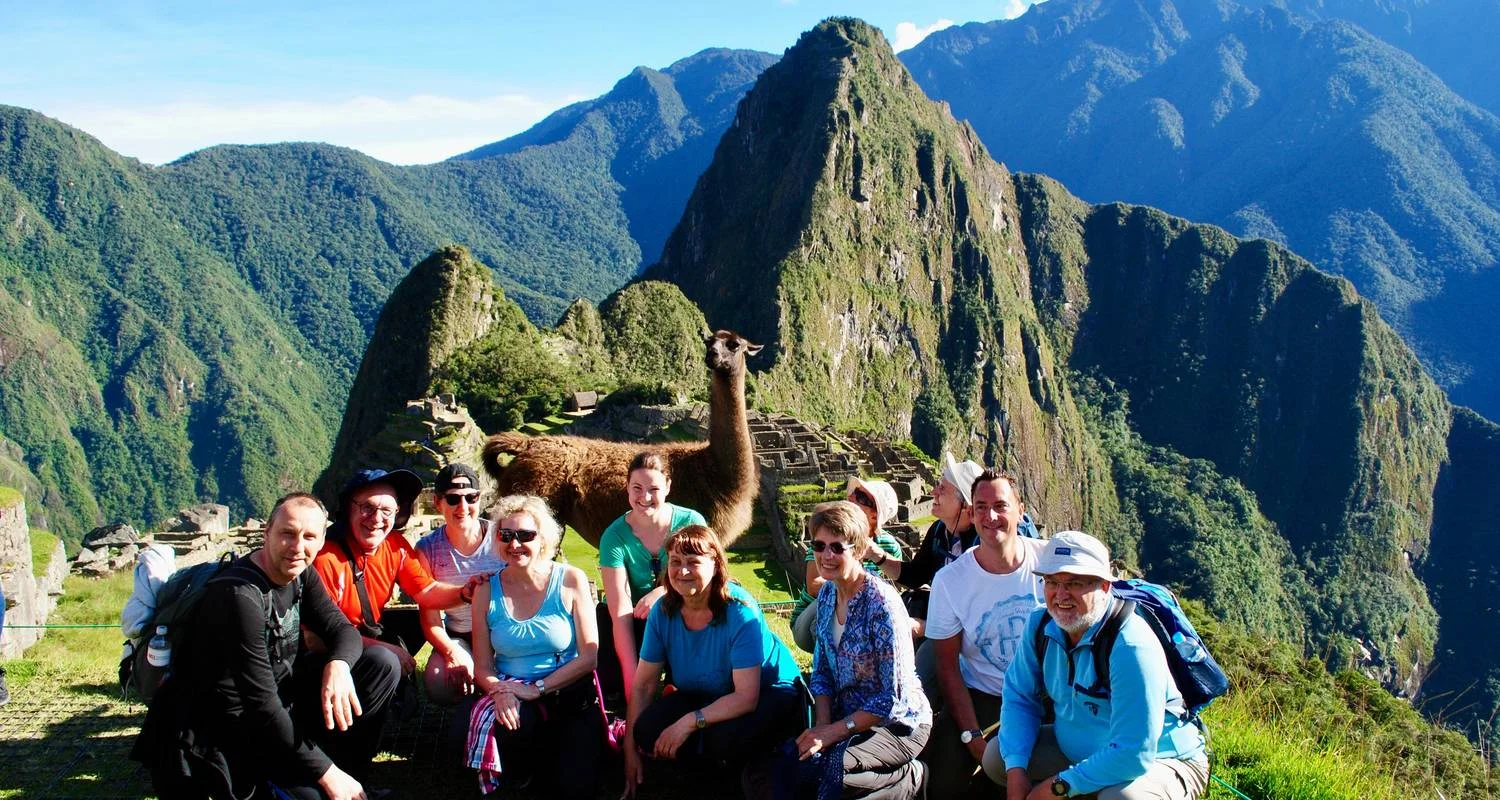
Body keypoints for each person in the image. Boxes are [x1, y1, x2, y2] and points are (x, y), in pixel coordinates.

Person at [132, 493, 399, 800]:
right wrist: (327, 773)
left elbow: (342, 630)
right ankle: (330, 782)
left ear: (322, 540)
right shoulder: (239, 596)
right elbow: (260, 704)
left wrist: (338, 665)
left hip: (273, 706)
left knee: (380, 663)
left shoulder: (301, 573)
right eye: (288, 533)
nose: (297, 547)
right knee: (313, 795)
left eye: (309, 537)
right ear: (267, 532)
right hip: (218, 729)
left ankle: (352, 784)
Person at [988, 532, 1209, 800]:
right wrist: (1016, 772)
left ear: (1104, 586)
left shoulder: (1130, 644)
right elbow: (1019, 697)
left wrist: (1057, 787)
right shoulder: (1040, 625)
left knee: (1123, 798)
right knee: (999, 757)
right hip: (1079, 751)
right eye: (1052, 582)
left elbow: (1134, 753)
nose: (1060, 595)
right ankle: (1086, 785)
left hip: (1161, 760)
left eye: (1074, 583)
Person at [622, 525, 804, 798]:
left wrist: (688, 722)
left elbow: (746, 697)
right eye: (675, 562)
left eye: (693, 562)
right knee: (647, 730)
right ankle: (701, 771)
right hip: (706, 692)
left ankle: (743, 775)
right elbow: (644, 686)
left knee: (725, 739)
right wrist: (630, 750)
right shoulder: (663, 612)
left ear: (716, 564)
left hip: (766, 691)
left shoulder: (740, 611)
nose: (682, 571)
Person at [771, 501, 931, 800]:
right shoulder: (827, 595)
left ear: (857, 550)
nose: (826, 555)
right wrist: (821, 725)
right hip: (847, 718)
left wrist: (834, 732)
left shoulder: (881, 604)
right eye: (819, 546)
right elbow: (821, 672)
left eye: (837, 547)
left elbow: (891, 698)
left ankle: (910, 778)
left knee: (829, 775)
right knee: (792, 767)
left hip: (897, 725)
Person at [923, 468, 1047, 799]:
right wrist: (972, 736)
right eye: (981, 507)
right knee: (943, 785)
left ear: (1020, 511)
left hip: (1048, 695)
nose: (990, 517)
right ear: (972, 513)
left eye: (1000, 506)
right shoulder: (951, 581)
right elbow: (947, 666)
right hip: (985, 695)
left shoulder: (1049, 563)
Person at [469, 494, 602, 800]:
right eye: (506, 535)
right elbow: (483, 666)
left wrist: (537, 688)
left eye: (525, 535)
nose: (515, 544)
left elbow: (589, 656)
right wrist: (501, 691)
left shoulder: (570, 580)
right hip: (513, 691)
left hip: (567, 693)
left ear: (543, 539)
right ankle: (523, 770)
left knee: (576, 787)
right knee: (505, 728)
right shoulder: (485, 591)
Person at [311, 468, 477, 679]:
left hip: (366, 629)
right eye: (367, 507)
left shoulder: (395, 546)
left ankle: (392, 678)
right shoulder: (325, 558)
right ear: (348, 508)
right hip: (331, 651)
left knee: (413, 623)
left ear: (398, 513)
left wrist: (465, 593)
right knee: (384, 659)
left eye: (387, 511)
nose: (376, 519)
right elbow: (315, 638)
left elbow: (427, 591)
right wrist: (383, 648)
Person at [598, 451, 707, 698]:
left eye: (654, 489)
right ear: (627, 487)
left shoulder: (691, 523)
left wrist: (662, 591)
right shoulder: (613, 537)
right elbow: (620, 612)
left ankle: (681, 685)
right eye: (637, 488)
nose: (645, 497)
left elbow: (706, 579)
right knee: (606, 635)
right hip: (638, 620)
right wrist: (632, 683)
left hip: (683, 611)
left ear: (667, 487)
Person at [890, 453, 983, 706]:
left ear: (965, 505)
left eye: (942, 488)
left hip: (965, 636)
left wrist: (924, 627)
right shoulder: (939, 532)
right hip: (941, 625)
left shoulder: (980, 546)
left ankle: (913, 715)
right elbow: (916, 575)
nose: (933, 492)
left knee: (917, 681)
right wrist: (877, 557)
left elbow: (975, 612)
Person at [415, 463, 504, 706]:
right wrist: (451, 652)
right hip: (460, 634)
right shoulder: (427, 549)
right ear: (438, 503)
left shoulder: (502, 537)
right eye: (453, 499)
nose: (463, 507)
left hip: (502, 631)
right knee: (438, 681)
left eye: (470, 498)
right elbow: (430, 619)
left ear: (479, 498)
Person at [791, 477, 905, 653]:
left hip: (860, 616)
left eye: (862, 497)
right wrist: (853, 591)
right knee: (836, 600)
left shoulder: (888, 547)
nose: (852, 497)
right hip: (810, 618)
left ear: (875, 515)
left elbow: (893, 586)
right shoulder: (827, 536)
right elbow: (814, 586)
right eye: (855, 492)